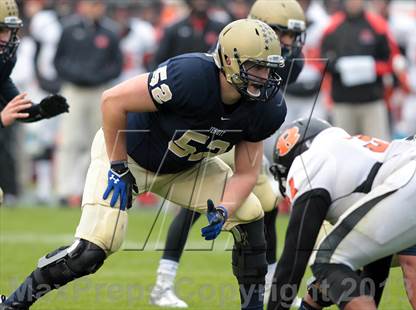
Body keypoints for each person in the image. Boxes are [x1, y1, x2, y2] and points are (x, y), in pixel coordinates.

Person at [0, 19, 287, 310]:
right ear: (228, 60)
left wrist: (224, 208)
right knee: (94, 248)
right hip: (130, 157)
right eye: (256, 67)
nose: (265, 77)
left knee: (249, 212)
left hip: (186, 168)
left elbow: (247, 172)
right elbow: (112, 101)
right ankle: (12, 304)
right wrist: (118, 166)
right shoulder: (189, 76)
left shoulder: (267, 106)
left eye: (269, 68)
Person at [149, 0, 307, 307]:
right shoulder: (235, 48)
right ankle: (162, 283)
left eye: (292, 35)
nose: (288, 42)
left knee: (269, 202)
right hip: (215, 133)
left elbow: (264, 100)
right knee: (197, 205)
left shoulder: (289, 61)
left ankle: (275, 285)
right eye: (281, 33)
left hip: (245, 135)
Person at [267, 118, 416, 310]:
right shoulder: (348, 151)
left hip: (411, 180)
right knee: (339, 267)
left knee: (326, 262)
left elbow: (294, 258)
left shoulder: (309, 163)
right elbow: (374, 263)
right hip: (409, 177)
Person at [54, 0, 123, 207]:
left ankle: (88, 189)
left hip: (99, 91)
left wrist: (96, 77)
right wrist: (78, 75)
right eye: (92, 4)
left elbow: (117, 65)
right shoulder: (69, 29)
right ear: (83, 6)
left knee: (98, 141)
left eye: (99, 4)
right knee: (70, 141)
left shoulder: (110, 32)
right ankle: (66, 191)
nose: (95, 8)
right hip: (73, 91)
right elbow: (58, 61)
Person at [0, 0, 69, 203]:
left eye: (8, 30)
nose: (6, 37)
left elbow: (15, 107)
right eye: (1, 29)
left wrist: (40, 110)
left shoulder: (5, 59)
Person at [320, 0, 400, 141]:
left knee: (379, 149)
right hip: (343, 102)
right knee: (343, 150)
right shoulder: (331, 26)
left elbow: (390, 60)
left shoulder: (378, 24)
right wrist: (338, 67)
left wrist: (371, 67)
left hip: (372, 101)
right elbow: (322, 61)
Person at [152, 0, 224, 67]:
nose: (201, 1)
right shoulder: (174, 29)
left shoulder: (220, 29)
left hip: (210, 77)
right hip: (180, 77)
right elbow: (158, 61)